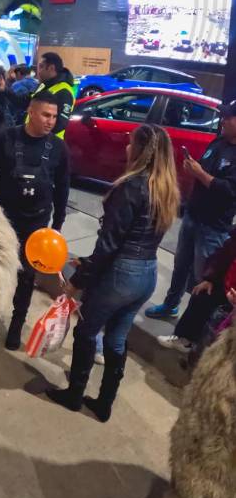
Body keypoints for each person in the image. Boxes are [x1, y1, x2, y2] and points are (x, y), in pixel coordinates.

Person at [48, 125, 180, 421]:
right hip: (146, 273)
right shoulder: (165, 188)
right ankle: (104, 402)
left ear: (143, 151)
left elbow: (109, 244)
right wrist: (88, 262)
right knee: (116, 339)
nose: (126, 148)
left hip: (121, 273)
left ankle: (74, 395)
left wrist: (77, 282)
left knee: (86, 331)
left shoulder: (131, 186)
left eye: (131, 143)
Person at [0, 91, 71, 350]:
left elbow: (63, 187)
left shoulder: (58, 148)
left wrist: (57, 224)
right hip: (4, 220)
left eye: (54, 116)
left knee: (27, 276)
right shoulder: (6, 138)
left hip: (37, 223)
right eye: (45, 115)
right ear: (31, 113)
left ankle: (16, 323)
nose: (50, 121)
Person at [146, 100, 236, 319]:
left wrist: (200, 174)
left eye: (228, 117)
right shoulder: (218, 142)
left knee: (203, 278)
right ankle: (170, 305)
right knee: (180, 266)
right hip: (193, 215)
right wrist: (193, 169)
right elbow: (205, 171)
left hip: (213, 226)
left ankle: (192, 326)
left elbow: (230, 191)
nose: (223, 120)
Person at [157, 230, 236, 362]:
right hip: (227, 287)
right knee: (201, 293)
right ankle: (185, 340)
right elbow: (223, 255)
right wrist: (210, 278)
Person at [32, 52, 75, 139]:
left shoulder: (64, 91)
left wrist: (37, 136)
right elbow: (27, 101)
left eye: (41, 67)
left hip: (48, 143)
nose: (38, 72)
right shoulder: (44, 86)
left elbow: (61, 123)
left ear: (51, 68)